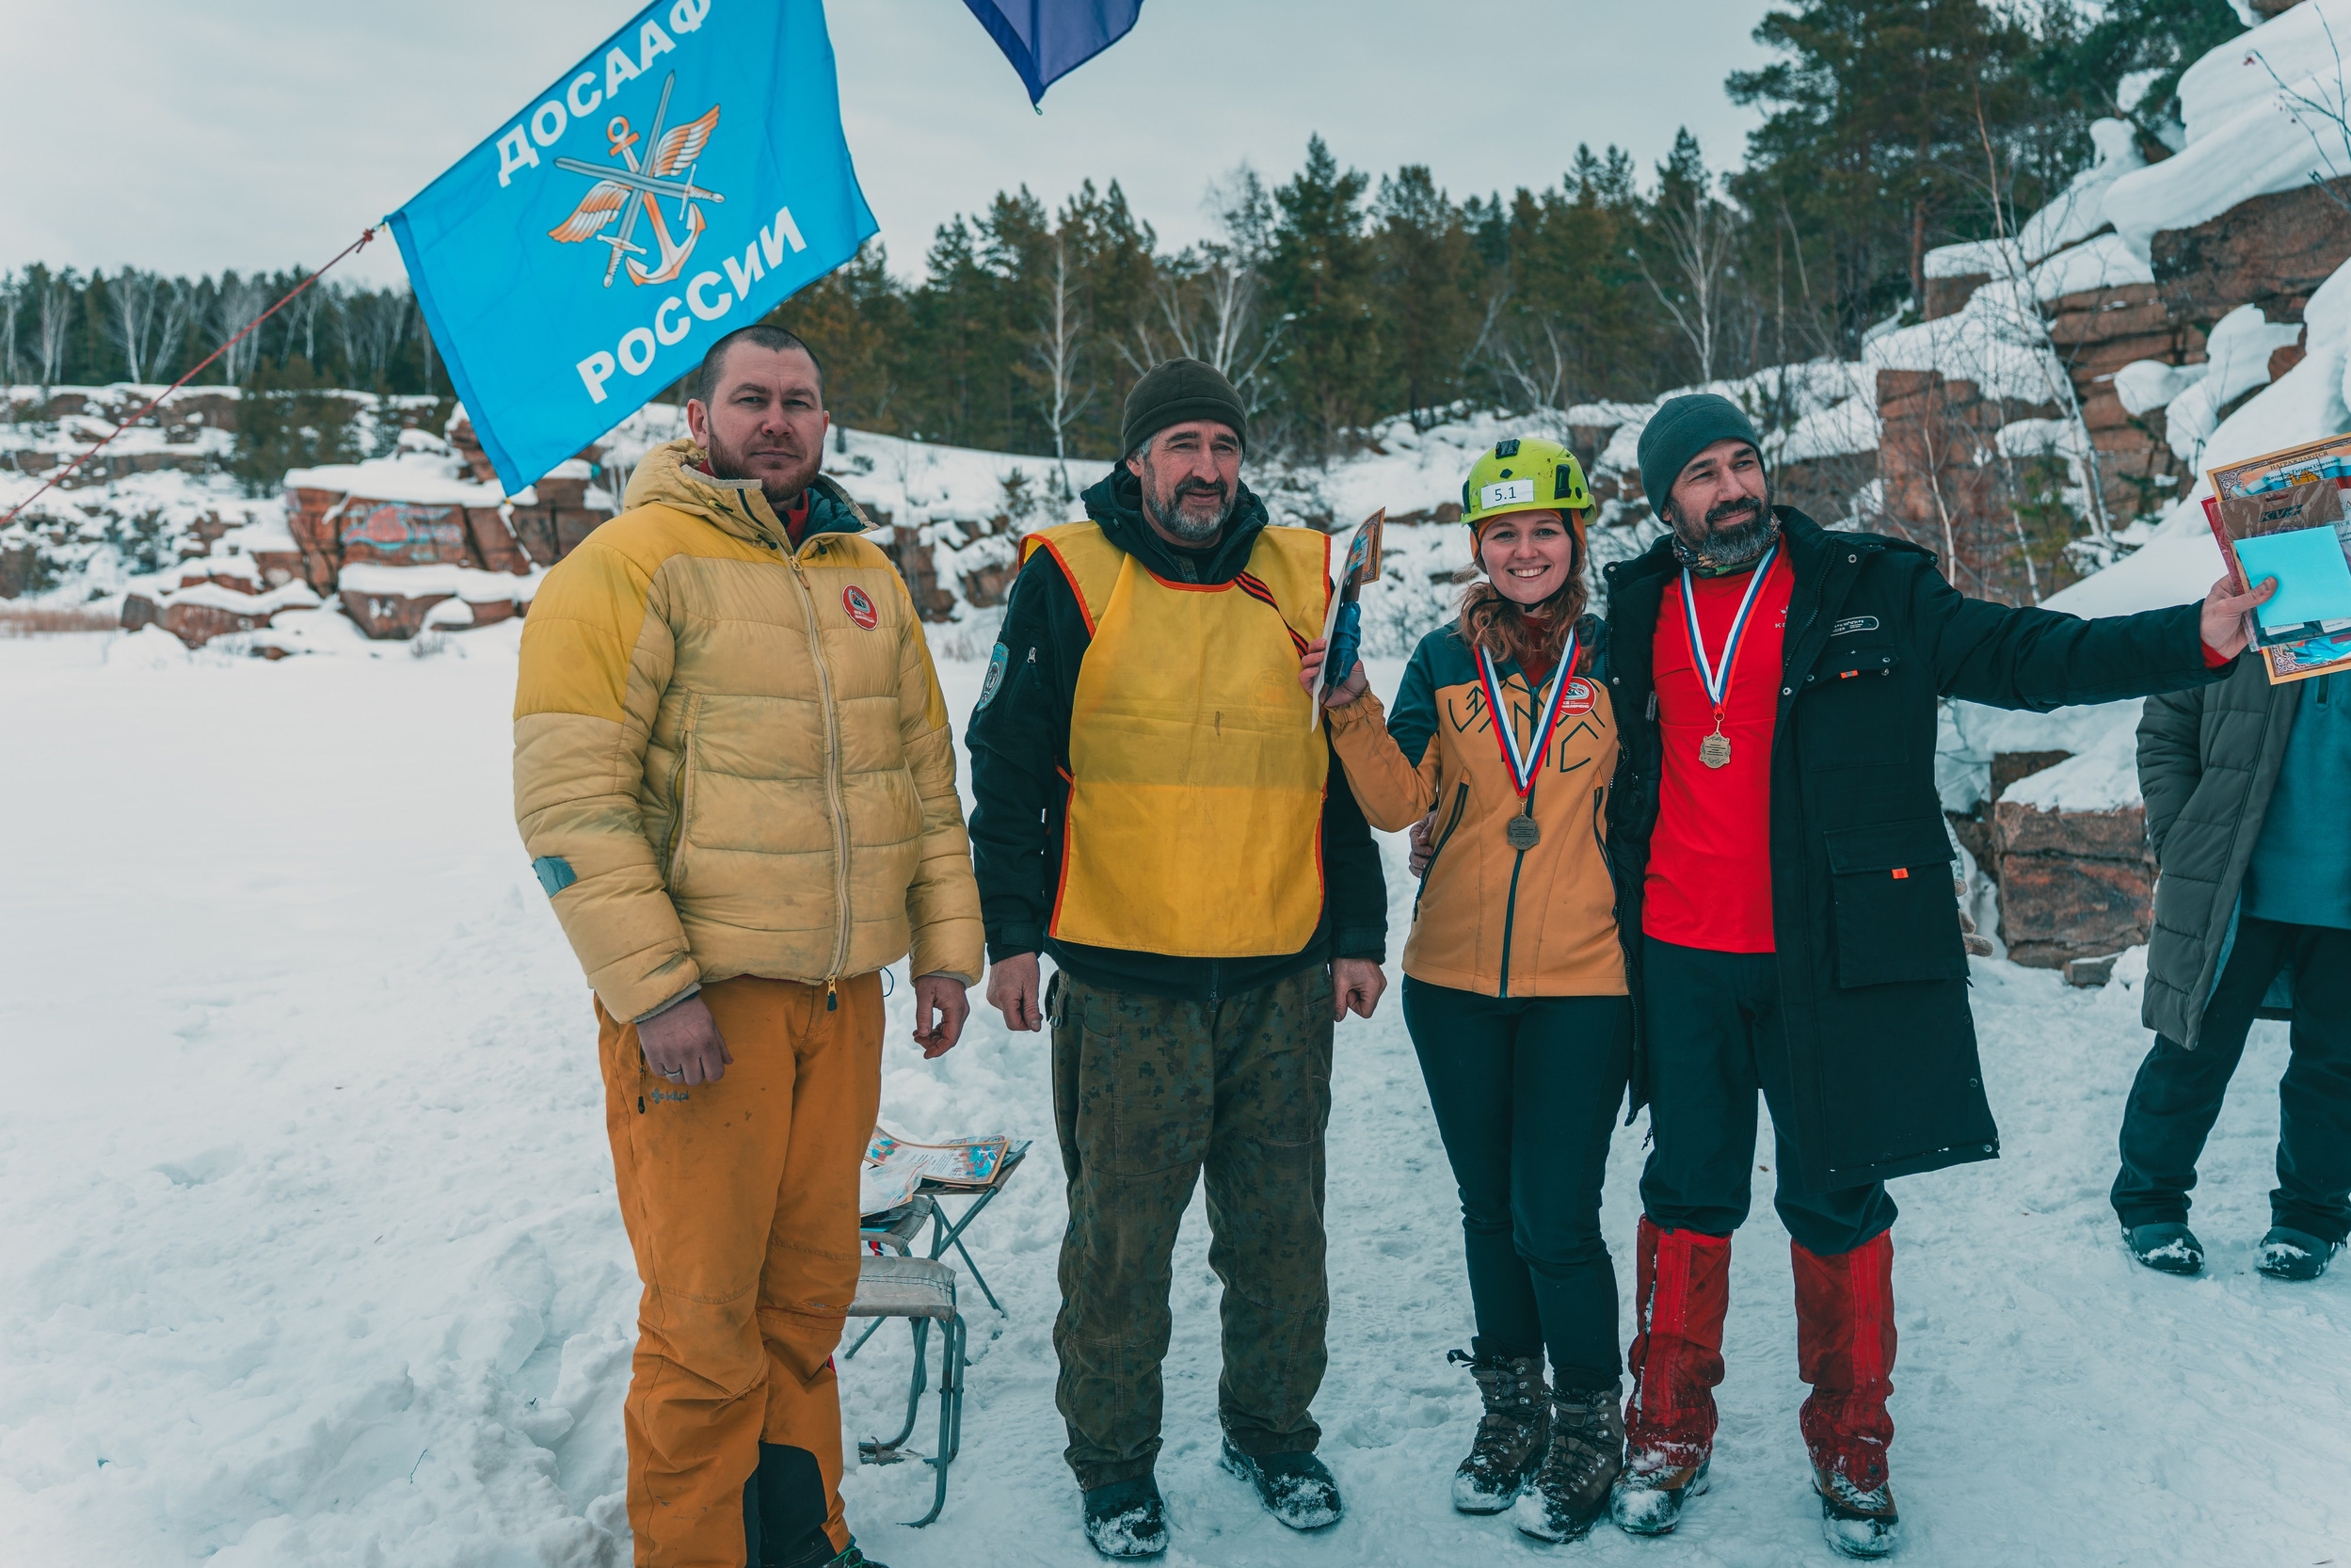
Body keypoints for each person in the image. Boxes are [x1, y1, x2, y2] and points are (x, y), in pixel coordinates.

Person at [1584, 393, 2270, 1560]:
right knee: (1686, 1194)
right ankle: (1665, 1429)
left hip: (1827, 957)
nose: (1733, 487)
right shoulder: (1637, 607)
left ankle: (1852, 1440)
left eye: (1743, 461)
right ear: (1665, 505)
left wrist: (2191, 638)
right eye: (1701, 474)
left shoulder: (1868, 586)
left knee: (1838, 1195)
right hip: (1681, 960)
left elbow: (2024, 656)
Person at [514, 324, 983, 1568]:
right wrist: (656, 989)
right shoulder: (628, 565)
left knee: (806, 1299)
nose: (778, 419)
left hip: (841, 1000)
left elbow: (924, 783)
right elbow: (572, 800)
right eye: (752, 397)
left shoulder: (865, 575)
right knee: (704, 1318)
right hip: (705, 1009)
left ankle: (802, 1536)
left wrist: (945, 948)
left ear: (825, 422)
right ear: (698, 417)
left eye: (801, 400)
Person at [966, 358, 1388, 1560]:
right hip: (1122, 983)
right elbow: (1006, 766)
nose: (1207, 469)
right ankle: (1113, 1466)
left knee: (1280, 1240)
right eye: (1183, 446)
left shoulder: (1305, 577)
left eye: (1224, 445)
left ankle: (1271, 1434)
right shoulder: (1067, 576)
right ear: (1137, 460)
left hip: (1277, 979)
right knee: (1119, 1249)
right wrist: (1009, 937)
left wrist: (1357, 935)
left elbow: (1336, 774)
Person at [1301, 438, 1637, 1544]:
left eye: (1544, 531)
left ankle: (1588, 1424)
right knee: (1487, 1211)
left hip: (1585, 983)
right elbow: (1397, 801)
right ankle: (1511, 1413)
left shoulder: (1618, 652)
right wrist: (1349, 700)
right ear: (1478, 549)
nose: (1524, 551)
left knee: (1555, 1219)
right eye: (1503, 535)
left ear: (1574, 538)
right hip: (1451, 983)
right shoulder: (1444, 660)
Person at [2116, 651, 2351, 1280]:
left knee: (2339, 1072)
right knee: (2190, 1050)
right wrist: (2183, 839)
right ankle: (2150, 1201)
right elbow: (2167, 724)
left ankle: (2311, 1219)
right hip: (2234, 891)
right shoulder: (2247, 610)